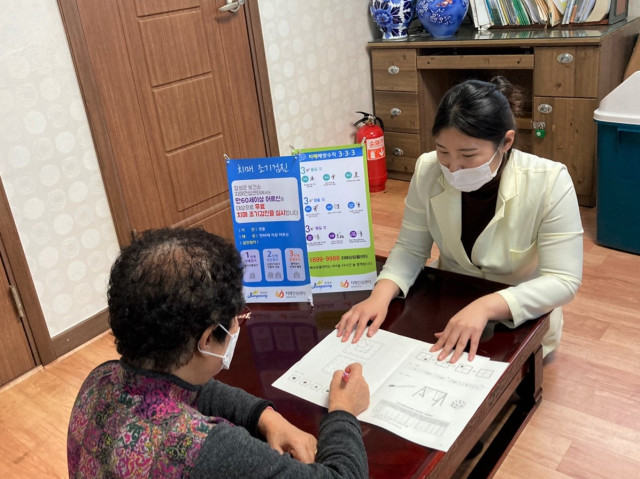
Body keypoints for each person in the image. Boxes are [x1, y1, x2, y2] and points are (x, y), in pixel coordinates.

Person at [68, 228, 370, 478]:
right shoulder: (207, 447)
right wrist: (343, 409)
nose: (239, 326)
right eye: (236, 319)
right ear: (208, 338)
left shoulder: (100, 379)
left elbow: (193, 389)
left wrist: (266, 418)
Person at [336, 76, 583, 363]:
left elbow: (563, 280)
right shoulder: (429, 169)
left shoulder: (549, 181)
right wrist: (379, 295)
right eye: (443, 151)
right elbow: (410, 248)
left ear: (506, 141)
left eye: (468, 155)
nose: (453, 167)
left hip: (520, 312)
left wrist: (487, 306)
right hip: (449, 305)